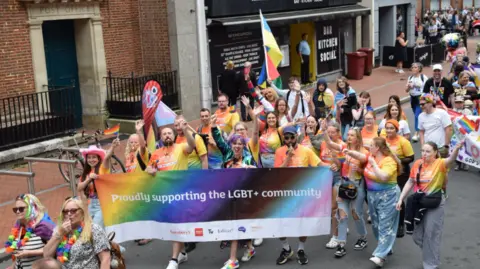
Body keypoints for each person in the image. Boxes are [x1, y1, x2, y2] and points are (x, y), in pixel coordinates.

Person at [396, 141, 463, 269]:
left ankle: (431, 264)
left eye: (428, 151)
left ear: (435, 153)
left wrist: (457, 149)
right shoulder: (417, 164)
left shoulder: (440, 163)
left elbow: (451, 159)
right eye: (422, 151)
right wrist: (401, 199)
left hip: (435, 204)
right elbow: (410, 182)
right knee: (417, 235)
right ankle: (431, 253)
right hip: (419, 203)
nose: (424, 154)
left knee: (431, 234)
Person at [344, 137, 402, 267]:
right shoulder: (371, 156)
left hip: (388, 195)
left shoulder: (389, 161)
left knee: (385, 224)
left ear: (378, 148)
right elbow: (360, 156)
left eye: (371, 145)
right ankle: (386, 247)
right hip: (372, 195)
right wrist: (349, 151)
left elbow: (384, 176)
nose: (369, 147)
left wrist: (374, 164)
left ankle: (380, 256)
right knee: (376, 225)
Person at [145, 121, 196, 269]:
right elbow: (149, 168)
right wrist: (150, 170)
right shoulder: (156, 153)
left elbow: (192, 145)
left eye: (169, 133)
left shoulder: (181, 147)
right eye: (164, 134)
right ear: (161, 137)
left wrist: (186, 130)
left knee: (176, 224)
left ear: (173, 136)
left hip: (181, 193)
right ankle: (182, 253)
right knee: (172, 225)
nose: (167, 135)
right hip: (165, 195)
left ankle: (174, 259)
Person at [273, 126, 328, 265]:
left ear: (297, 136)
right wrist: (288, 157)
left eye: (292, 137)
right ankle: (286, 248)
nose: (290, 140)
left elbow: (319, 164)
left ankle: (301, 250)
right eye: (287, 138)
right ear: (284, 138)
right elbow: (276, 172)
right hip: (284, 193)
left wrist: (332, 165)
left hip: (302, 193)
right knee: (279, 224)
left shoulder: (306, 151)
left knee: (302, 224)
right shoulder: (279, 152)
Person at [210, 114, 257, 269]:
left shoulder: (249, 158)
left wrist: (251, 169)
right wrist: (213, 127)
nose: (237, 146)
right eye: (234, 144)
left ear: (244, 145)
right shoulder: (228, 154)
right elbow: (218, 140)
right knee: (238, 225)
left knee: (236, 226)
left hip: (243, 199)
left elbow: (259, 175)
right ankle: (250, 249)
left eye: (240, 144)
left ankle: (233, 260)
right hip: (228, 197)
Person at [322, 126, 369, 258]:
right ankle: (341, 244)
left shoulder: (364, 152)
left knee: (356, 214)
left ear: (358, 138)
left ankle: (362, 236)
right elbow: (330, 143)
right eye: (348, 135)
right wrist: (324, 131)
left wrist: (359, 170)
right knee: (342, 215)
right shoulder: (344, 148)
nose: (348, 137)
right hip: (344, 185)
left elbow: (367, 168)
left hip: (357, 186)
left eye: (352, 135)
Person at [43, 197, 111, 269]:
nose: (69, 214)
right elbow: (46, 255)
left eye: (73, 211)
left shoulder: (93, 229)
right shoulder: (61, 231)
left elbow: (105, 259)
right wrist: (59, 233)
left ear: (82, 212)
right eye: (65, 211)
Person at [5, 194, 55, 269]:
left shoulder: (43, 226)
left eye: (21, 209)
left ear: (31, 208)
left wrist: (29, 253)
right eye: (15, 209)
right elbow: (19, 254)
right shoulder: (19, 227)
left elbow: (54, 249)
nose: (17, 211)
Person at [383, 119, 415, 238]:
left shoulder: (403, 141)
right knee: (388, 198)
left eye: (392, 128)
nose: (389, 130)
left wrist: (398, 160)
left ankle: (401, 225)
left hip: (402, 173)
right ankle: (389, 222)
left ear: (397, 130)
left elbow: (411, 157)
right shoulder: (383, 141)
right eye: (387, 128)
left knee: (398, 198)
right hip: (387, 172)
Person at [77, 141, 120, 228]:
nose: (91, 160)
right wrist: (89, 179)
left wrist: (112, 147)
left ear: (99, 158)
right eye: (89, 157)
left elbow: (107, 158)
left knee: (96, 229)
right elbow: (79, 187)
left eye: (94, 157)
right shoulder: (86, 173)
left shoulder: (102, 169)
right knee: (92, 230)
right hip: (89, 204)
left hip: (102, 204)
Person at [418, 93, 453, 158]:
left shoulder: (442, 113)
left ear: (430, 103)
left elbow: (448, 129)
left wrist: (446, 146)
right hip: (428, 149)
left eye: (423, 104)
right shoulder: (420, 116)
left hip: (440, 148)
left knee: (442, 167)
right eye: (420, 104)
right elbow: (421, 131)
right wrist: (422, 146)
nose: (421, 106)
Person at [406, 62, 428, 142]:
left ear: (419, 69)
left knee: (417, 115)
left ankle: (416, 133)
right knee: (418, 114)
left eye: (415, 67)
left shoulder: (423, 77)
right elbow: (406, 90)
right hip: (412, 98)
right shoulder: (410, 77)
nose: (413, 69)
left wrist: (425, 99)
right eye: (412, 67)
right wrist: (408, 87)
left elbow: (427, 88)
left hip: (420, 98)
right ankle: (423, 129)